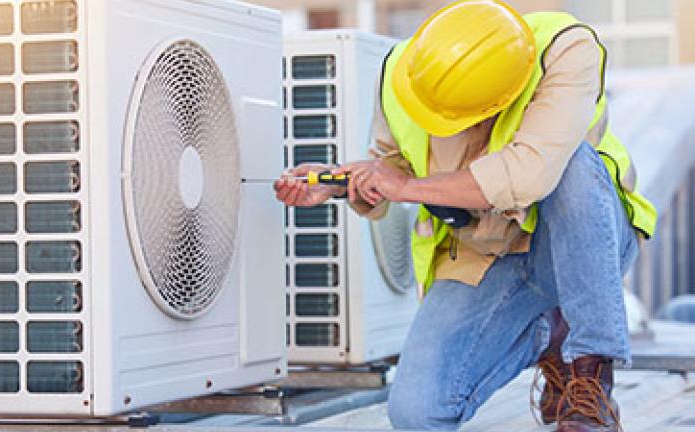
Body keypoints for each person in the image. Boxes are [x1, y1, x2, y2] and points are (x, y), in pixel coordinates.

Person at [273, 0, 656, 431]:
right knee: (417, 413)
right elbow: (393, 164)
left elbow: (527, 174)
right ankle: (551, 334)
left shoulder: (565, 51)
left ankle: (590, 379)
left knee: (575, 166)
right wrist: (341, 181)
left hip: (576, 243)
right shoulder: (405, 73)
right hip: (486, 255)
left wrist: (408, 189)